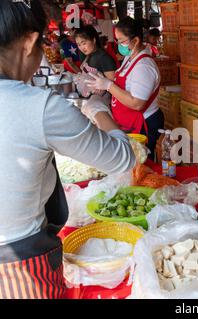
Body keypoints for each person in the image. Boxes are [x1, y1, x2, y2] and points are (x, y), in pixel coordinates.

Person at [0, 0, 136, 298]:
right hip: (18, 264)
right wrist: (99, 110)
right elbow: (123, 158)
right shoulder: (39, 107)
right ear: (30, 43)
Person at [86, 17, 164, 161]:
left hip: (144, 124)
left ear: (135, 41)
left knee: (143, 162)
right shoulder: (130, 57)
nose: (119, 45)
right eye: (117, 41)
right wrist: (101, 80)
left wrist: (108, 86)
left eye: (122, 41)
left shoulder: (144, 66)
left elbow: (137, 103)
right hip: (128, 122)